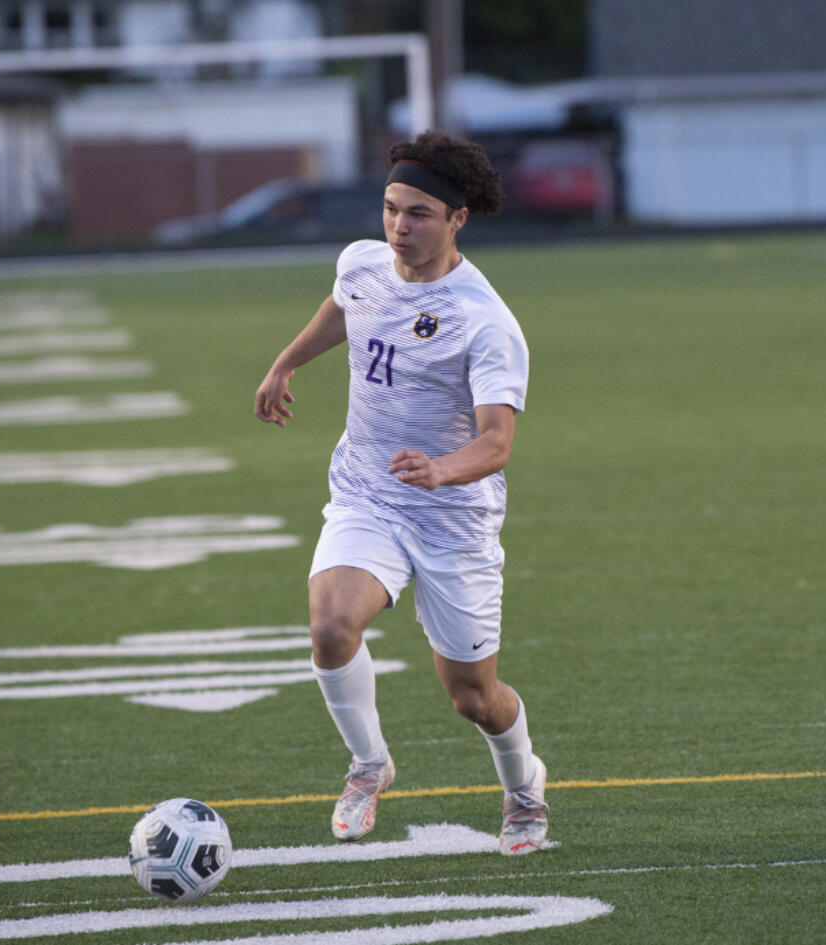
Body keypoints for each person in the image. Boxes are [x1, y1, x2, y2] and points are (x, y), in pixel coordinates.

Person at [254, 131, 548, 855]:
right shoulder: (362, 262)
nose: (399, 228)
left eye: (418, 214)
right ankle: (368, 764)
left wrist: (441, 470)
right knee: (329, 628)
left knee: (474, 698)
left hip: (453, 519)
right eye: (390, 209)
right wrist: (285, 364)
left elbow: (497, 442)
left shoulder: (485, 321)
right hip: (368, 495)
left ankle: (523, 789)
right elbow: (343, 308)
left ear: (458, 219)